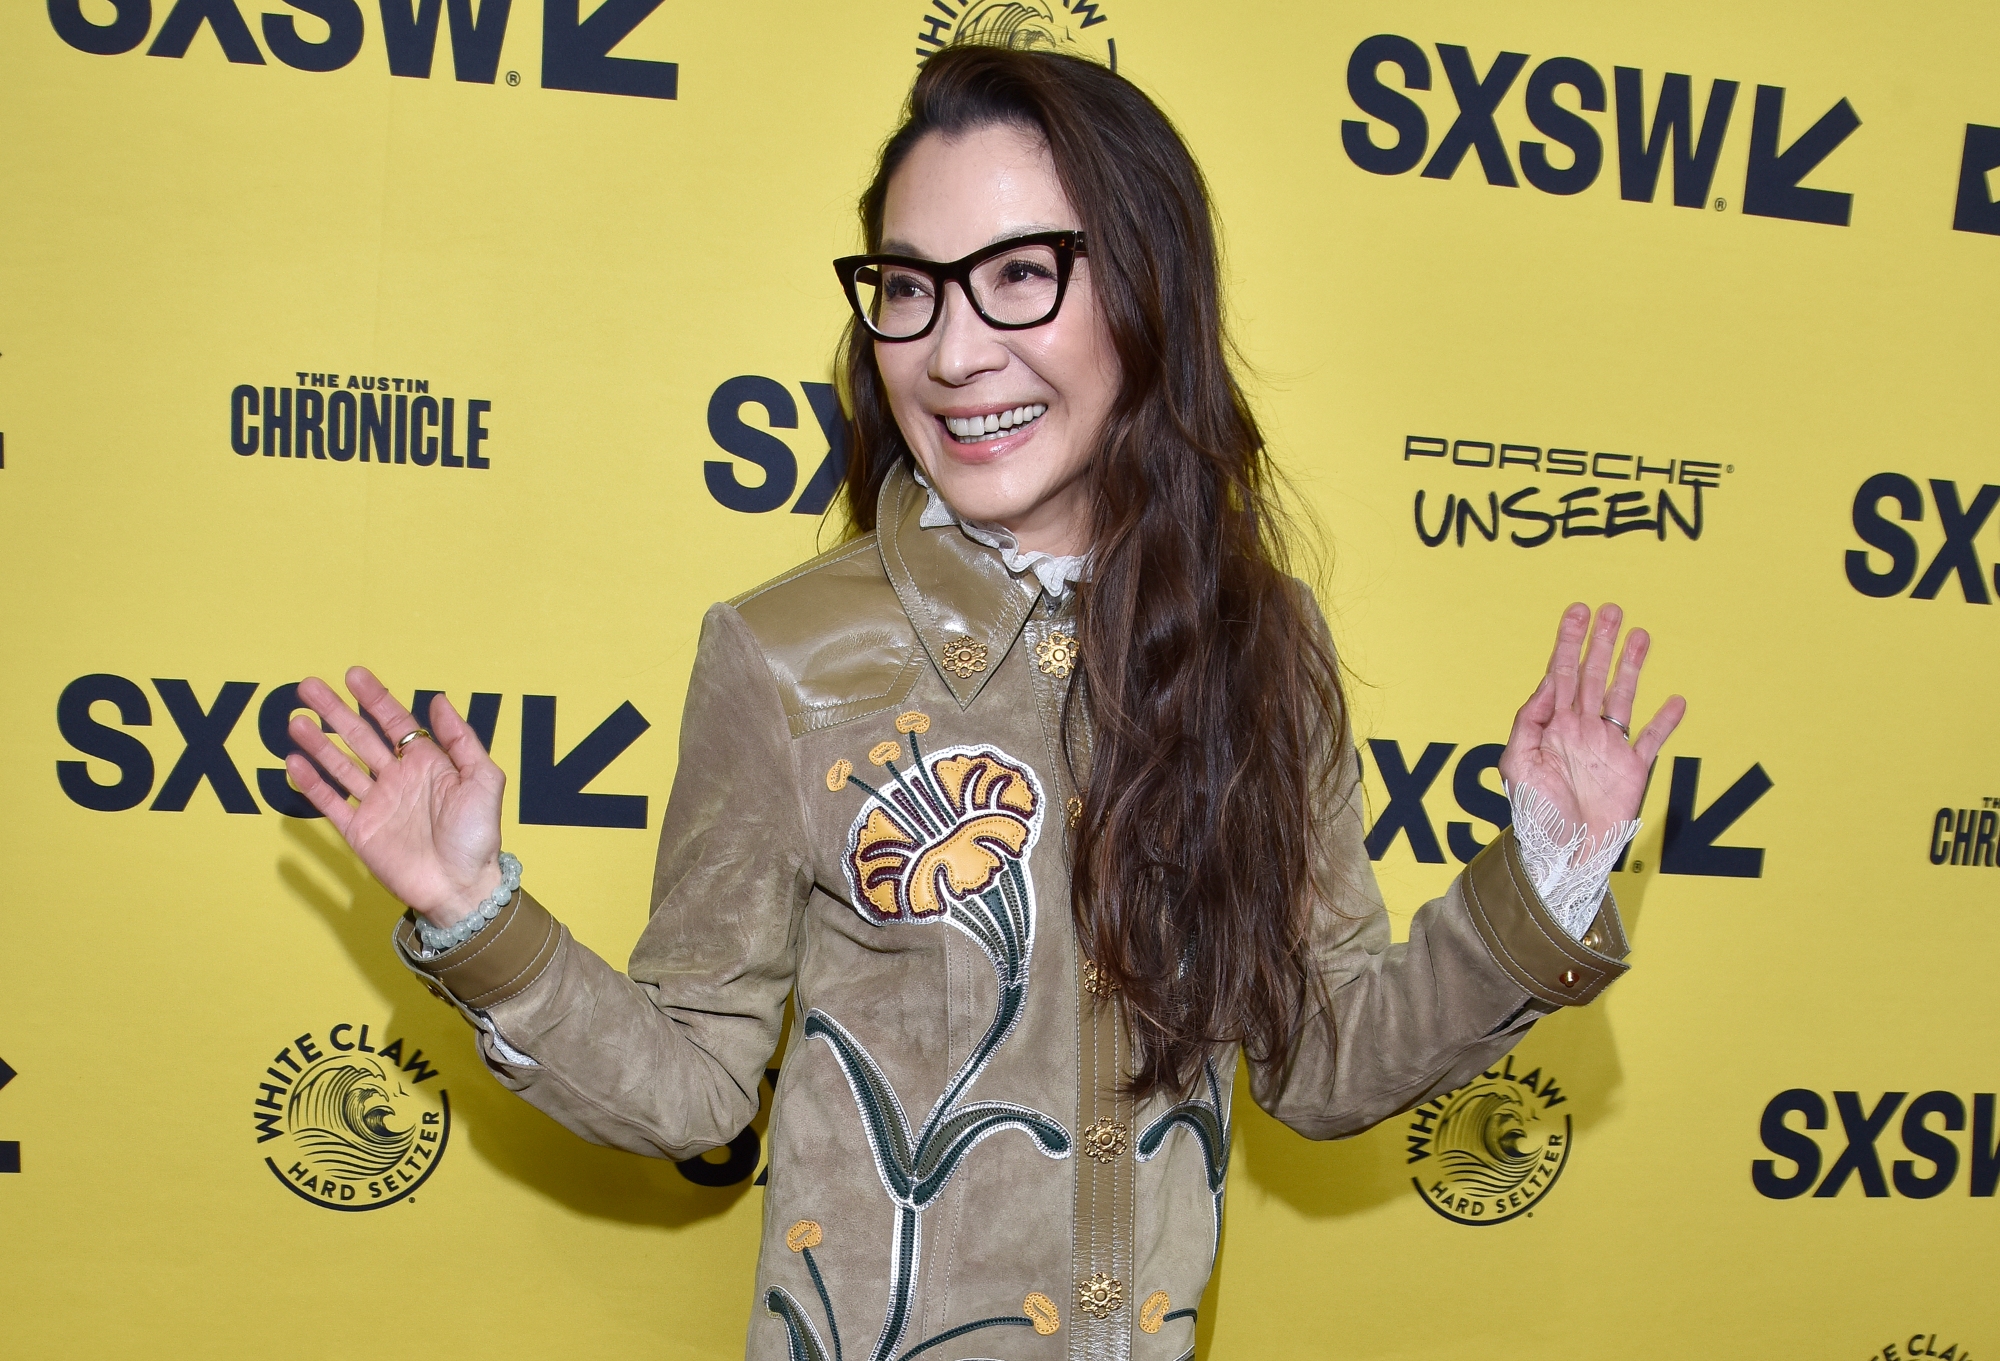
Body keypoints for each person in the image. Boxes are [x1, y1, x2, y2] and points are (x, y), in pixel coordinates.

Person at [285, 43, 1683, 1361]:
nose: (950, 351)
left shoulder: (1259, 642)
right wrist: (477, 915)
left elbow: (1321, 1056)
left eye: (1020, 274)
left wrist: (1545, 877)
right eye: (909, 285)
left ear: (1147, 292)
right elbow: (700, 1084)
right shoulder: (784, 656)